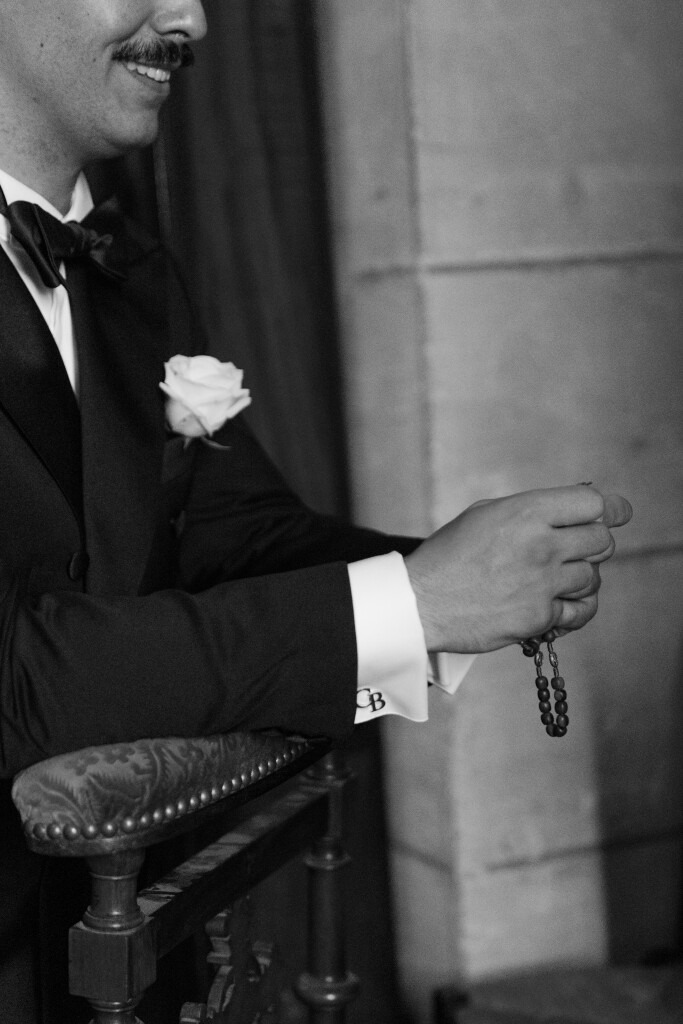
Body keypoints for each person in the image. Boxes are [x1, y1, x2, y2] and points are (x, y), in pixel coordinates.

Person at [0, 0, 632, 1020]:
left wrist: (459, 577)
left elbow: (235, 529)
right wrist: (412, 606)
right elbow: (18, 675)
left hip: (138, 946)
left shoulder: (129, 266)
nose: (191, 19)